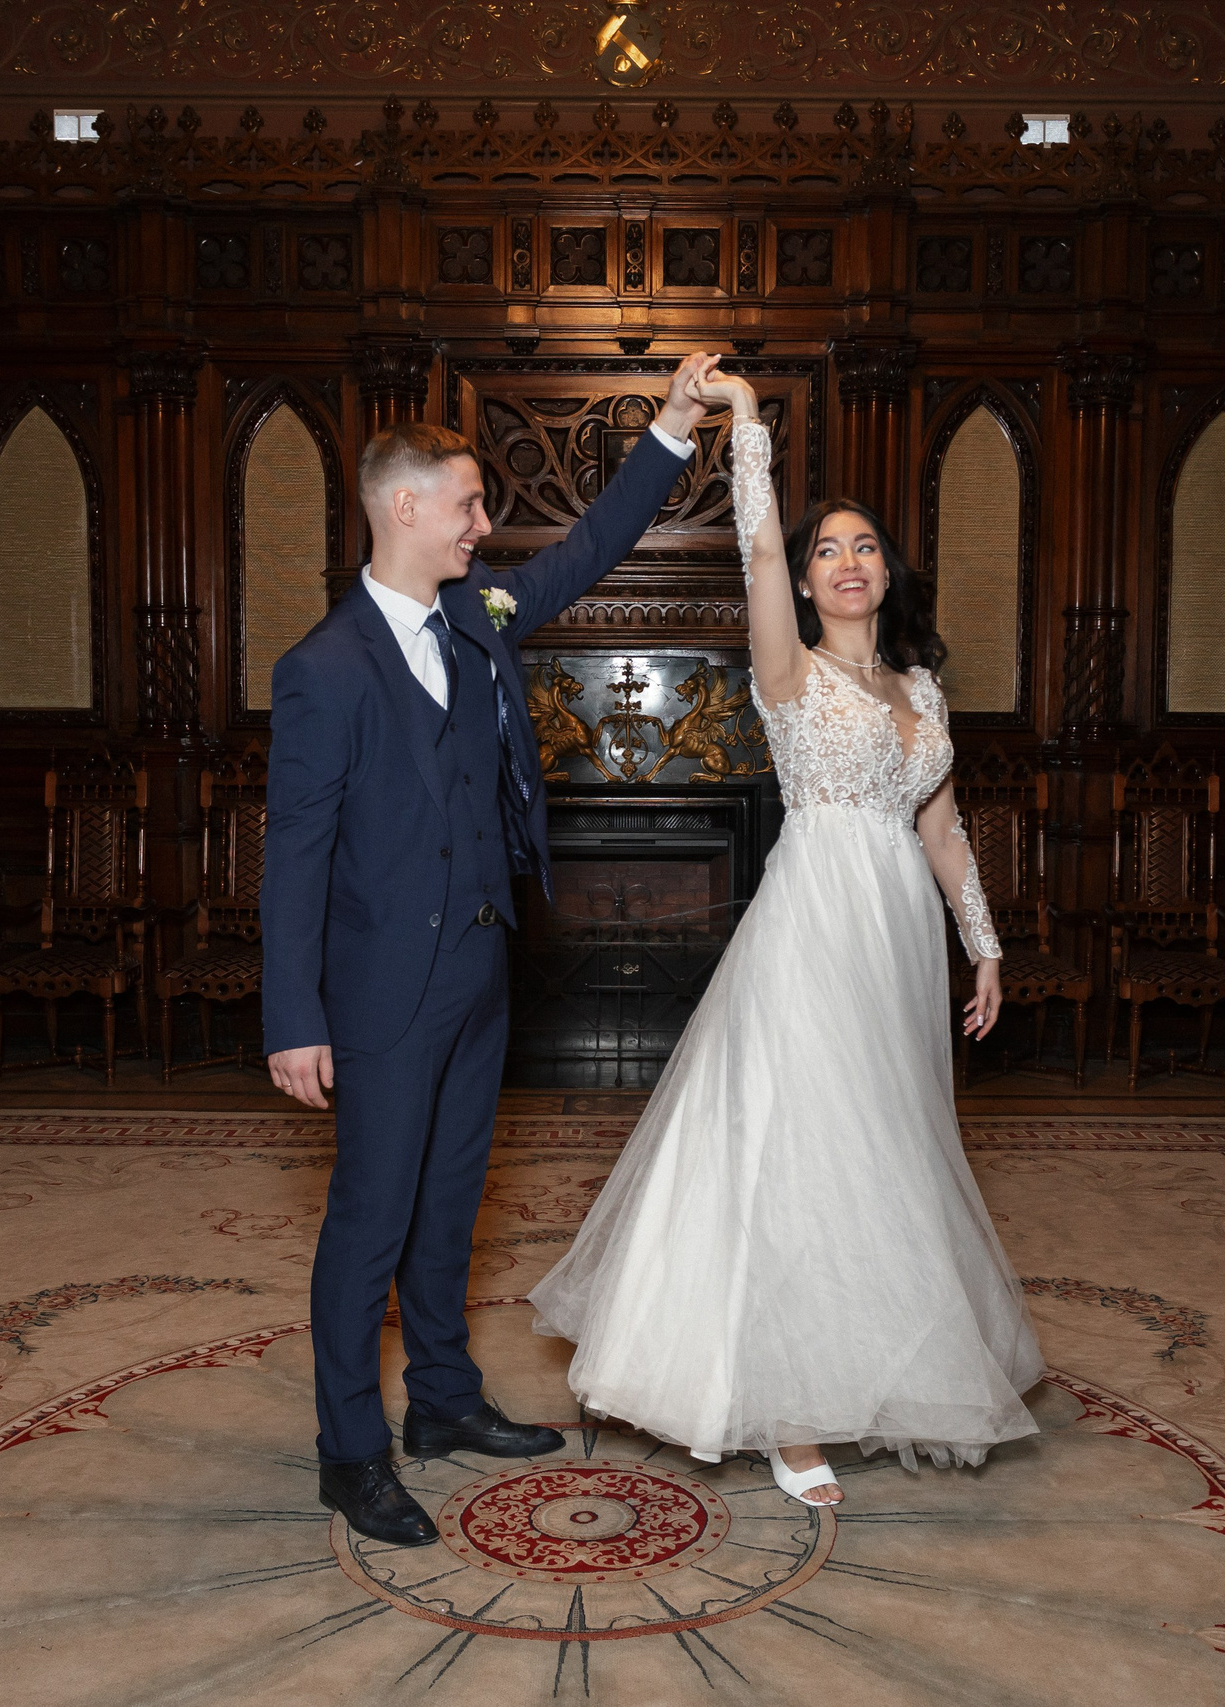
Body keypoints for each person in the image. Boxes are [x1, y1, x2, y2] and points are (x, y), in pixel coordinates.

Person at [530, 369, 1045, 1507]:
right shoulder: (787, 672)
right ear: (807, 583)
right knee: (804, 1148)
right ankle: (790, 1408)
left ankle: (870, 1359)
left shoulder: (923, 691)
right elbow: (754, 558)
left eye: (865, 547)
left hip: (899, 934)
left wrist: (986, 946)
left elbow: (944, 830)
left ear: (887, 573)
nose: (848, 561)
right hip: (813, 919)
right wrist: (749, 426)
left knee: (886, 1146)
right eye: (828, 552)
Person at [262, 352, 724, 1546]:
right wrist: (292, 1018)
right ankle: (349, 1451)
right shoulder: (321, 671)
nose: (486, 525)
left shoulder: (478, 618)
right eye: (469, 504)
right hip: (375, 994)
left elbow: (584, 551)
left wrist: (672, 428)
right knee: (367, 1222)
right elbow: (294, 859)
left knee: (450, 1207)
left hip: (477, 970)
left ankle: (445, 1407)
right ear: (404, 508)